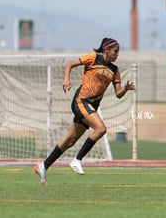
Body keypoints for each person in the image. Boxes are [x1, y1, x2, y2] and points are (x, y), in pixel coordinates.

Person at [34, 37, 135, 185]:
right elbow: (70, 65)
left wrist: (125, 89)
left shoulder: (115, 70)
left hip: (91, 106)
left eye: (118, 52)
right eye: (115, 51)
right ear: (107, 50)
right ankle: (77, 160)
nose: (117, 54)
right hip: (81, 101)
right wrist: (66, 79)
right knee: (101, 129)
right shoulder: (93, 57)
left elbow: (118, 94)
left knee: (70, 140)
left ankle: (43, 166)